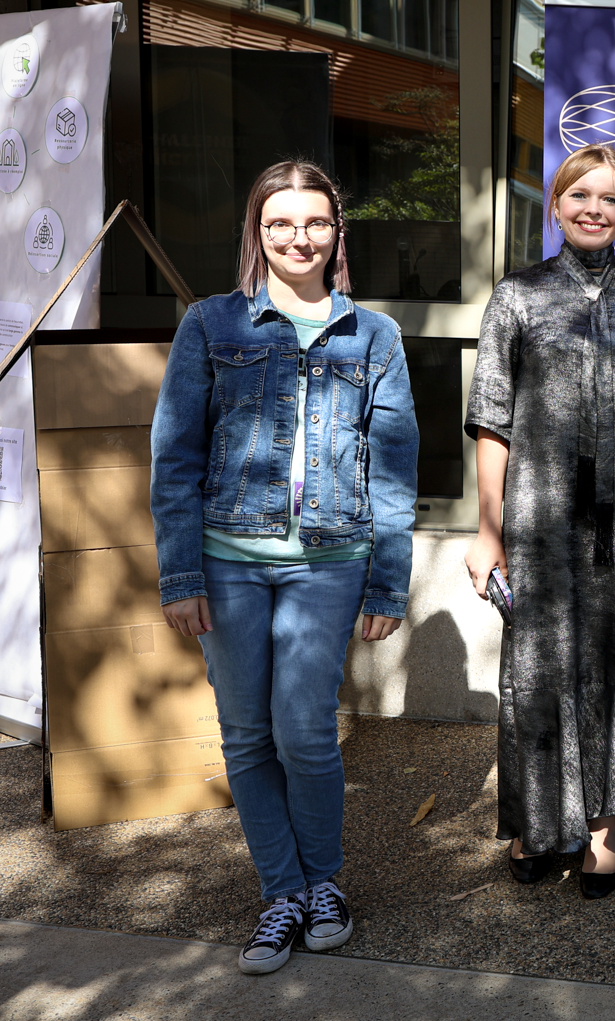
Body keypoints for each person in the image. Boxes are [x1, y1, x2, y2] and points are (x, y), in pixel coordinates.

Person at [152, 161, 418, 975]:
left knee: (304, 733)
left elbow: (393, 470)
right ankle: (282, 893)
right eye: (280, 224)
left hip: (329, 563)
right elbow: (174, 456)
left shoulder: (374, 336)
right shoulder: (209, 324)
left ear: (337, 232)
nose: (298, 238)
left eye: (315, 223)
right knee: (245, 734)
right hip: (227, 562)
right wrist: (181, 575)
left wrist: (388, 579)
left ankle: (323, 883)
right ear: (257, 231)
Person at [463, 143, 615, 899]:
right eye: (580, 195)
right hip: (542, 524)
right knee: (540, 671)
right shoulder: (517, 297)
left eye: (610, 198)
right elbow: (492, 423)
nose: (593, 209)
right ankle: (537, 823)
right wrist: (488, 530)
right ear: (556, 204)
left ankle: (604, 827)